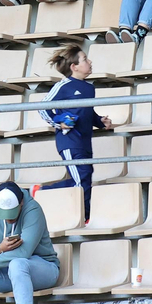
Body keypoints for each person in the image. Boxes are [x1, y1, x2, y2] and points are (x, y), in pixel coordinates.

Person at [36, 46, 113, 218]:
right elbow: (42, 107)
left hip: (85, 142)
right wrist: (58, 123)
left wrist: (100, 121)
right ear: (74, 67)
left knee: (84, 177)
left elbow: (87, 112)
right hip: (69, 142)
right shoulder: (63, 86)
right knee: (81, 179)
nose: (90, 62)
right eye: (85, 59)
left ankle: (43, 191)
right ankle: (84, 217)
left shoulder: (89, 88)